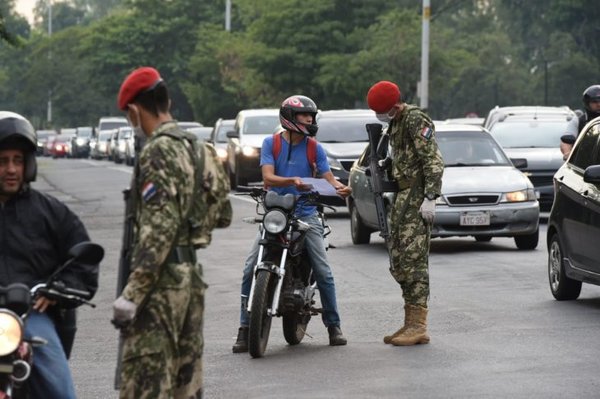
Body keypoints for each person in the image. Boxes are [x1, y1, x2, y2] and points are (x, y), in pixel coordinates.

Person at [232, 95, 352, 353]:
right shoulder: (270, 143)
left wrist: (341, 188)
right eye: (304, 115)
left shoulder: (314, 147)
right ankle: (244, 329)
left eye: (311, 115)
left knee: (323, 270)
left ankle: (334, 326)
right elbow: (268, 176)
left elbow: (328, 177)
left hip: (306, 213)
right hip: (277, 212)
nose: (310, 119)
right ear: (289, 117)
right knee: (249, 267)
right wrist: (293, 181)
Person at [113, 67, 206, 398]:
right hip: (191, 278)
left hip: (160, 285)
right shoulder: (197, 148)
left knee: (147, 383)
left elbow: (158, 229)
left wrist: (133, 293)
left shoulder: (155, 150)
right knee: (186, 382)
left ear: (135, 110)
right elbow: (220, 213)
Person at [0, 111, 99, 398]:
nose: (10, 169)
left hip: (31, 315)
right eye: (3, 161)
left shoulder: (50, 212)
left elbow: (82, 258)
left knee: (59, 387)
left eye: (17, 161)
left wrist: (59, 288)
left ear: (28, 165)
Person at [366, 81, 444, 347]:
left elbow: (432, 160)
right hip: (401, 198)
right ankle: (410, 321)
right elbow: (403, 158)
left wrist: (431, 197)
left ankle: (419, 325)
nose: (380, 116)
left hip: (416, 198)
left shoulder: (414, 119)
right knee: (398, 259)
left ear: (395, 105)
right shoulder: (396, 123)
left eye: (383, 110)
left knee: (414, 261)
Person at [560, 85, 600, 160]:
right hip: (584, 162)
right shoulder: (578, 121)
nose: (599, 104)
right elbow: (566, 142)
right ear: (587, 103)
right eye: (595, 102)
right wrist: (568, 154)